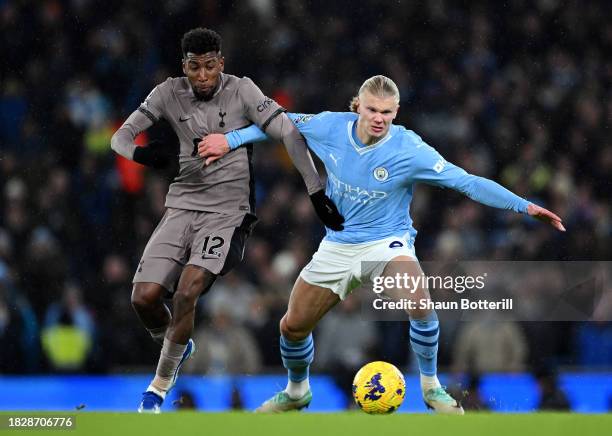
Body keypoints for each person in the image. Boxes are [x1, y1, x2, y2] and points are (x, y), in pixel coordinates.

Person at [199, 75, 564, 414]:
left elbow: (466, 182)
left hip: (387, 242)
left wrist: (525, 206)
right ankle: (297, 391)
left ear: (396, 112)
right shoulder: (331, 126)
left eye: (387, 112)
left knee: (419, 301)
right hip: (339, 244)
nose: (379, 119)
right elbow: (275, 122)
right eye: (372, 110)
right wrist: (229, 140)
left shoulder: (409, 148)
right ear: (357, 105)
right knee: (291, 327)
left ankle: (431, 386)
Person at [110, 27, 344, 413]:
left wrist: (316, 190)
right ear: (183, 66)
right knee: (144, 299)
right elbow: (120, 137)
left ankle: (156, 389)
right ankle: (178, 346)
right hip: (181, 205)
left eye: (209, 67)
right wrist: (142, 156)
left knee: (187, 293)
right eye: (194, 68)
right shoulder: (167, 92)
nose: (202, 76)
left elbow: (287, 131)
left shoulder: (243, 90)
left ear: (221, 63)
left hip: (228, 213)